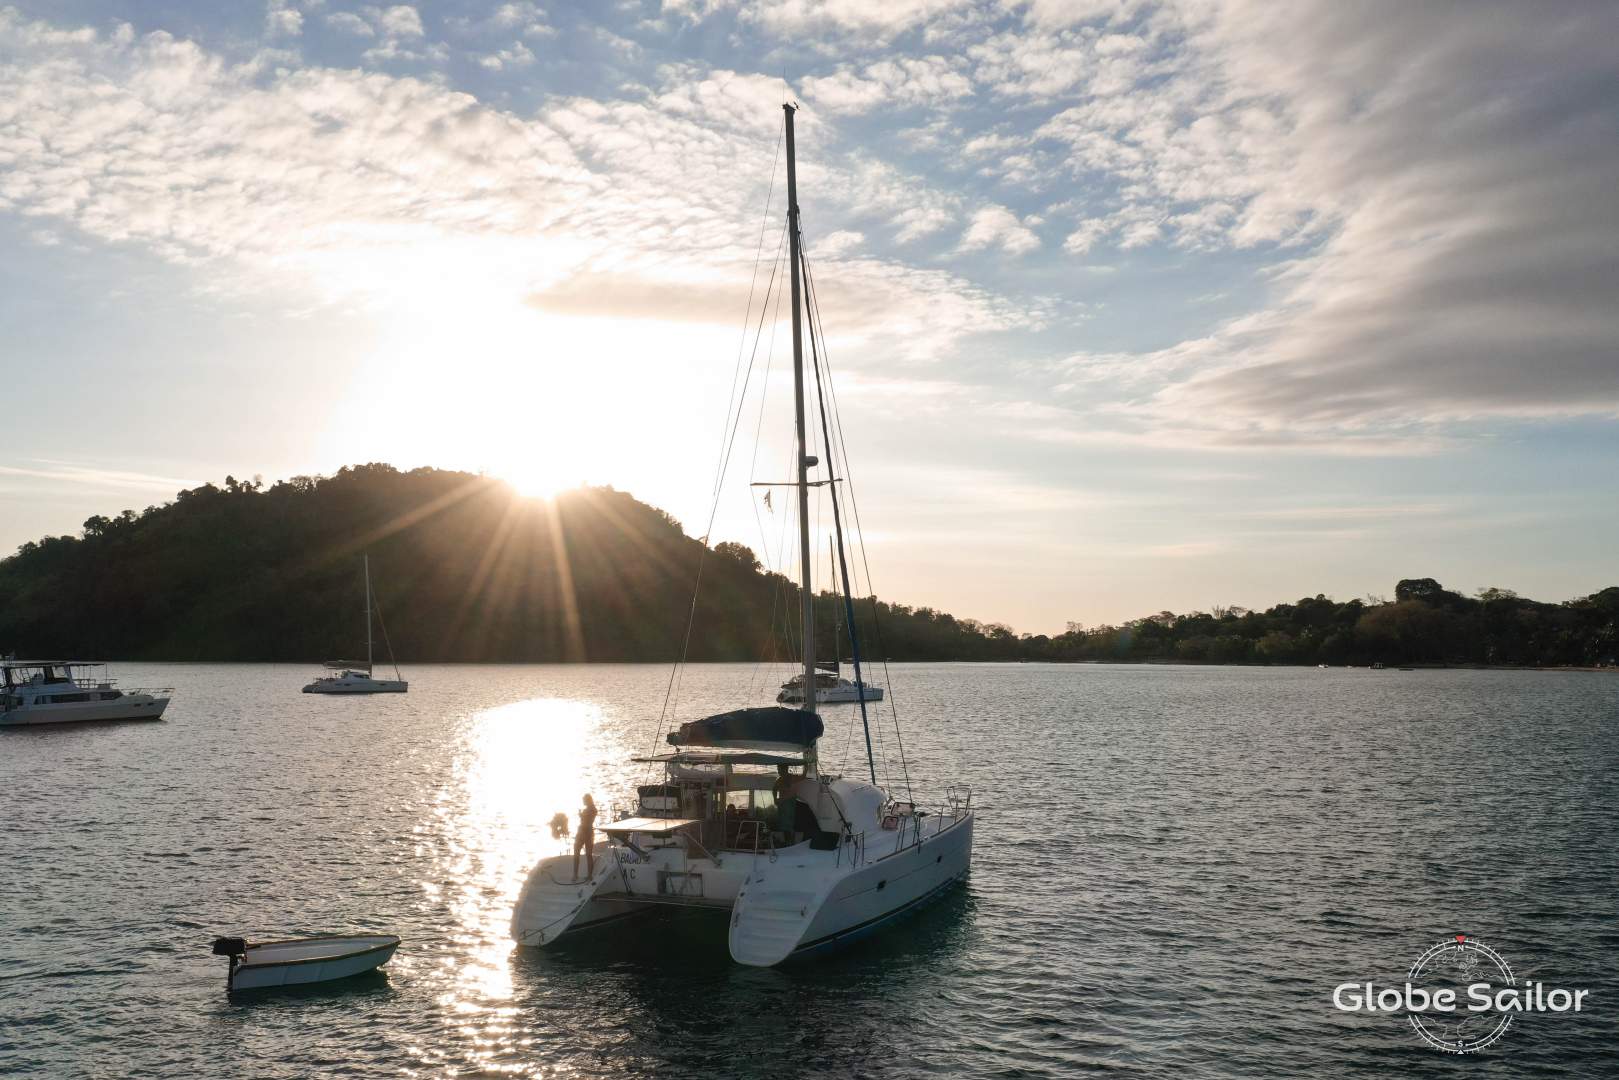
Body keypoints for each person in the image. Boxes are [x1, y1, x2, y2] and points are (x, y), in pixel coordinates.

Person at [572, 793, 597, 880]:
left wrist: (581, 815)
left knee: (581, 853)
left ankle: (578, 875)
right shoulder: (591, 809)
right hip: (586, 832)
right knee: (586, 854)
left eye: (584, 800)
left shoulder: (591, 809)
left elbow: (587, 819)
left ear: (587, 800)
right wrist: (582, 815)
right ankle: (584, 875)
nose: (583, 801)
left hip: (585, 832)